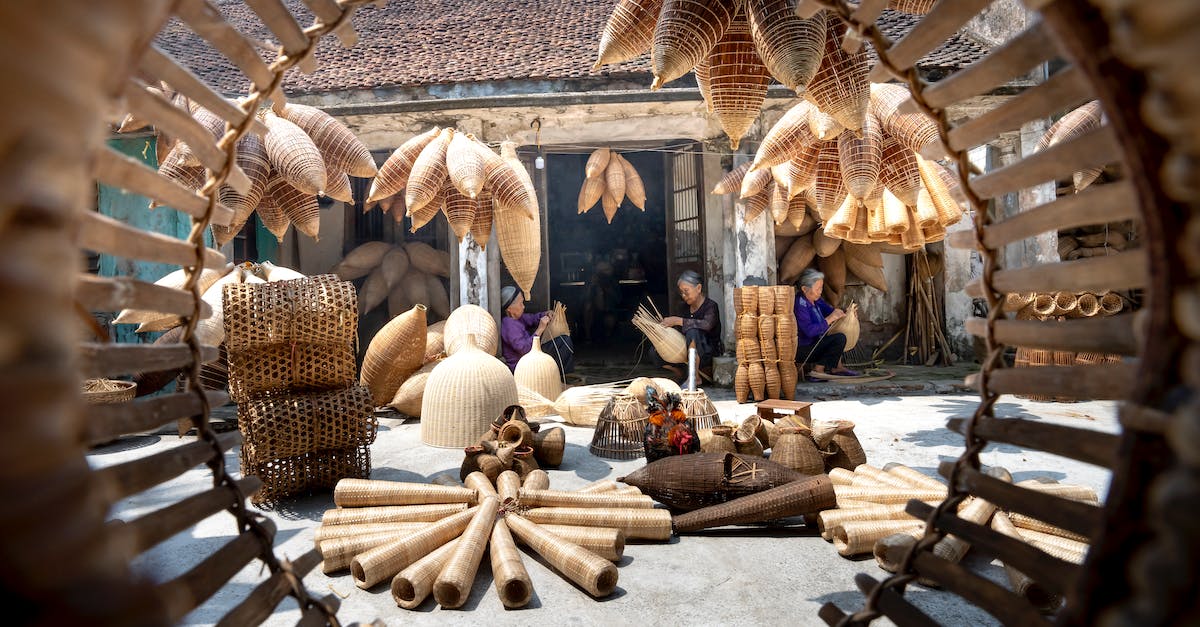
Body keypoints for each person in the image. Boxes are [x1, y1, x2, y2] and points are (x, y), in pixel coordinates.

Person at [656, 270, 723, 383]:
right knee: (655, 350)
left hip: (706, 351)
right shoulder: (683, 308)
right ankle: (680, 373)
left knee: (693, 332)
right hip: (685, 352)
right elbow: (679, 332)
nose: (683, 295)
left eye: (686, 291)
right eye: (681, 292)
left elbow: (707, 325)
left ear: (698, 288)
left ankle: (695, 376)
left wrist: (678, 320)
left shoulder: (711, 306)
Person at [794, 268, 858, 379]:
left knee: (838, 334)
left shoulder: (816, 300)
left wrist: (847, 314)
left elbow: (831, 311)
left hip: (817, 344)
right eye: (817, 288)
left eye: (821, 288)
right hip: (803, 350)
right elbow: (809, 331)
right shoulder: (800, 305)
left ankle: (837, 367)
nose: (820, 291)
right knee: (838, 338)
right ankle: (818, 371)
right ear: (804, 289)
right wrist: (829, 319)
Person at [499, 285, 575, 379]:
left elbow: (532, 318)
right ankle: (557, 378)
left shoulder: (517, 318)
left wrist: (545, 314)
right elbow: (525, 349)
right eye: (520, 304)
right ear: (509, 309)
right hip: (523, 366)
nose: (523, 307)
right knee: (563, 342)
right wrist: (540, 329)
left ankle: (559, 377)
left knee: (562, 340)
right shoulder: (508, 325)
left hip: (529, 358)